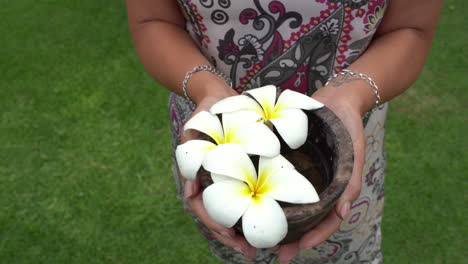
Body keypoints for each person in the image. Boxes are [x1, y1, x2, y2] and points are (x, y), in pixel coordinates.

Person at [126, 0, 442, 263]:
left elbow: (410, 28)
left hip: (343, 140)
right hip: (212, 133)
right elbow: (153, 19)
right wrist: (205, 88)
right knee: (237, 249)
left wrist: (351, 94)